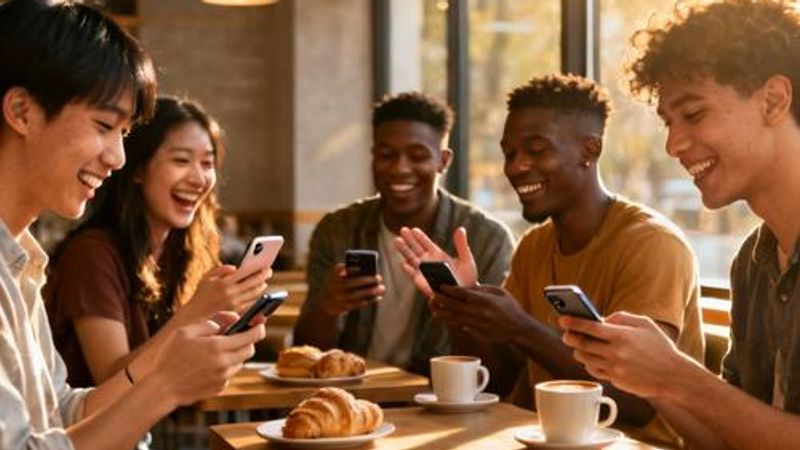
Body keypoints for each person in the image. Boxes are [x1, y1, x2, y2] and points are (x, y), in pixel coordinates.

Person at [0, 1, 264, 449]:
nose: (118, 158)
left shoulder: (22, 262)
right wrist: (166, 386)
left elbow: (63, 412)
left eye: (123, 134)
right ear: (23, 111)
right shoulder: (83, 253)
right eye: (104, 125)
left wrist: (170, 368)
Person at [395, 74, 703, 446]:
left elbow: (637, 404)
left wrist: (521, 328)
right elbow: (498, 380)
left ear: (590, 150)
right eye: (509, 153)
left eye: (537, 150)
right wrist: (463, 310)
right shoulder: (534, 245)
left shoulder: (652, 245)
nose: (515, 167)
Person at [559, 1, 800, 449]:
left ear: (773, 100)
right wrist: (652, 379)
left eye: (693, 115)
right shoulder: (753, 261)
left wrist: (679, 377)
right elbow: (728, 441)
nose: (673, 145)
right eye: (669, 123)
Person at [44, 96, 270, 387]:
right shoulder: (90, 255)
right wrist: (196, 311)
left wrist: (228, 330)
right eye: (181, 160)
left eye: (207, 163)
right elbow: (111, 379)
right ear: (138, 168)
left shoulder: (181, 250)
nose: (199, 179)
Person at [293, 92, 514, 375]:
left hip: (438, 395)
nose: (399, 168)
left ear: (443, 161)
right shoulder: (337, 230)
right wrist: (328, 308)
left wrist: (460, 309)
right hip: (355, 393)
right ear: (373, 157)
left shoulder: (486, 239)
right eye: (386, 155)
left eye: (418, 156)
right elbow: (305, 353)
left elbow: (497, 371)